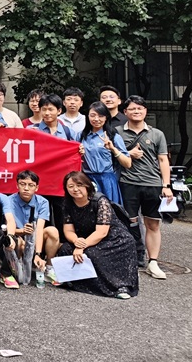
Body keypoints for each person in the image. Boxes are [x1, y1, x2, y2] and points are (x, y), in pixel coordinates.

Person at [57, 171, 139, 299]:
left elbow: (102, 232)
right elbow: (68, 230)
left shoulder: (100, 201)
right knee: (65, 249)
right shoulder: (67, 203)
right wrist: (76, 241)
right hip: (85, 237)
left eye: (79, 185)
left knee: (92, 253)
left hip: (113, 238)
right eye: (71, 186)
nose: (75, 189)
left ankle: (119, 286)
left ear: (87, 185)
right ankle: (77, 282)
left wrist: (81, 246)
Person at [116, 95, 172, 279]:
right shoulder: (117, 132)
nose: (136, 111)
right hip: (127, 183)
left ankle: (153, 262)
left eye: (140, 108)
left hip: (152, 184)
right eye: (132, 109)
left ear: (145, 111)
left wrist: (166, 185)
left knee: (153, 223)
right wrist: (128, 153)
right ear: (125, 112)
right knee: (129, 222)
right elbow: (112, 155)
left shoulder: (157, 134)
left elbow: (163, 160)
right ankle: (129, 259)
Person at [0, 170, 61, 287]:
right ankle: (17, 267)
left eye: (31, 185)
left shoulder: (43, 202)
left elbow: (40, 228)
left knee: (52, 231)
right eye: (22, 184)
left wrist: (38, 253)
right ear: (17, 185)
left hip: (35, 238)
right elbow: (8, 228)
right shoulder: (9, 201)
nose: (26, 188)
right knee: (18, 242)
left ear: (36, 187)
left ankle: (48, 268)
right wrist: (22, 231)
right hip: (18, 236)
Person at [80, 101, 131, 205]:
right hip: (86, 179)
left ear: (106, 118)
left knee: (107, 211)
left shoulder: (113, 137)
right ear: (88, 116)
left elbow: (128, 163)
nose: (96, 119)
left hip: (106, 180)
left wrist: (113, 149)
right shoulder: (81, 136)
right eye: (93, 115)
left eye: (101, 116)